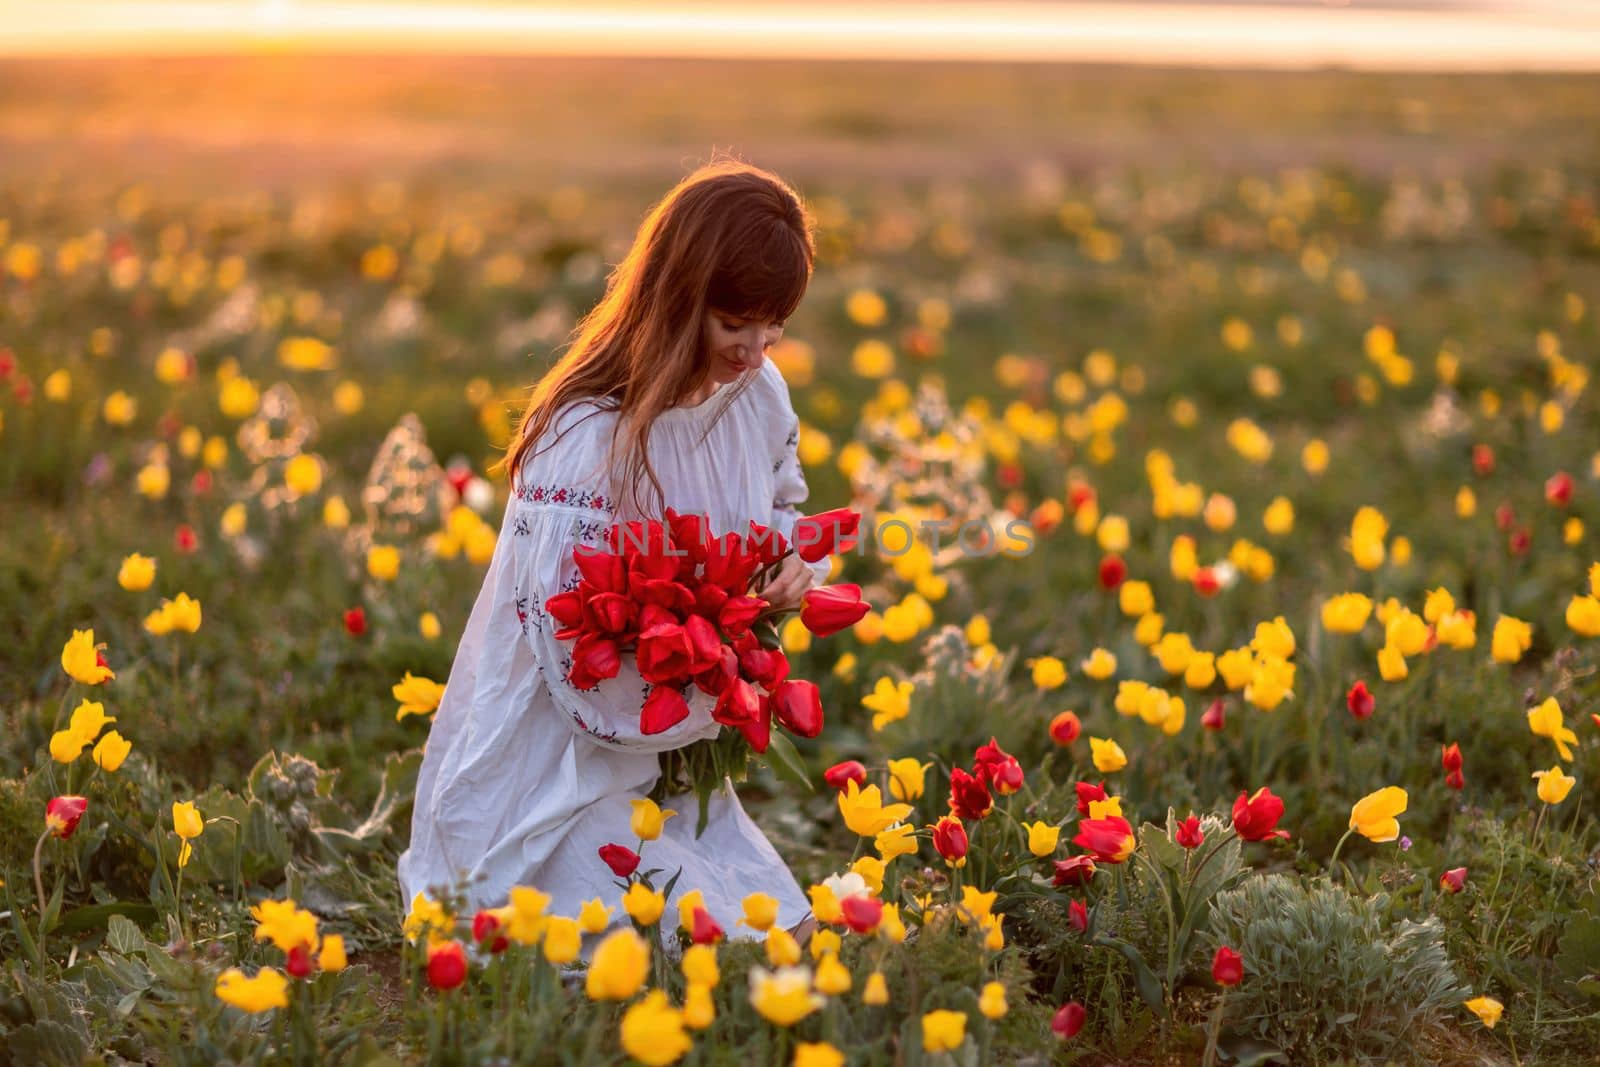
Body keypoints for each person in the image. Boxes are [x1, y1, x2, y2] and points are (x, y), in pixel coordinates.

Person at [397, 158, 831, 965]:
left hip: (669, 754)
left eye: (776, 324)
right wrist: (716, 675)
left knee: (782, 940)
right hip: (559, 760)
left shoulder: (759, 394)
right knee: (622, 954)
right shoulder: (584, 440)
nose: (757, 347)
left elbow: (779, 507)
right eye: (736, 321)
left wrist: (786, 570)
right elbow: (575, 666)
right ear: (679, 297)